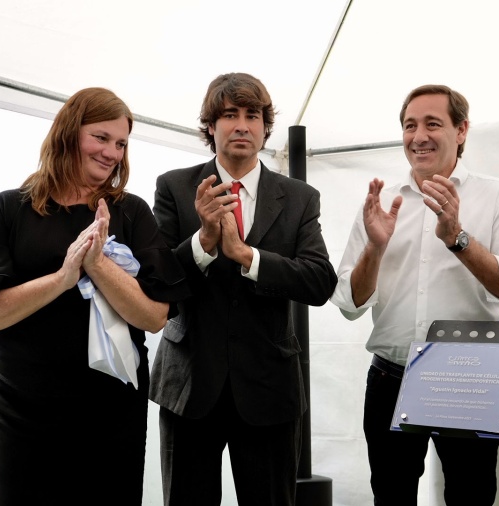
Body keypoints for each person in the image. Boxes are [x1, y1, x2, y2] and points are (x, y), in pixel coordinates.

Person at [0, 87, 188, 505]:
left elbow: (153, 318)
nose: (112, 152)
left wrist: (99, 265)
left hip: (110, 405)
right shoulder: (10, 209)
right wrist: (63, 277)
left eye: (121, 143)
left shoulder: (131, 212)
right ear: (68, 133)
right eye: (101, 137)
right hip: (22, 401)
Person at [330, 84, 499, 506]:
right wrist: (374, 249)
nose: (418, 136)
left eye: (432, 124)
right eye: (410, 126)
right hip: (390, 377)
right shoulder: (382, 202)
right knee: (390, 496)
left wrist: (458, 238)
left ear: (461, 131)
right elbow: (350, 305)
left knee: (471, 496)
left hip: (469, 376)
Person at [149, 72, 337, 506]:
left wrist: (246, 256)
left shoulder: (299, 196)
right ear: (210, 126)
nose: (241, 125)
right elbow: (157, 281)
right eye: (229, 115)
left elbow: (319, 280)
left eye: (253, 115)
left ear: (264, 127)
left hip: (269, 387)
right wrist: (204, 243)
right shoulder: (174, 187)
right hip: (189, 385)